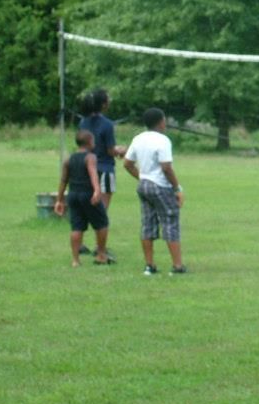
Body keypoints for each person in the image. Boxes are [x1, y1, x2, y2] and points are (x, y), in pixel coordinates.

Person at [123, 108, 187, 275]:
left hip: (143, 185)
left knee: (147, 224)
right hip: (160, 185)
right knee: (170, 222)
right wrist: (177, 188)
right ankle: (177, 266)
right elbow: (166, 167)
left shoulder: (138, 138)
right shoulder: (163, 140)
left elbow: (127, 164)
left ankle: (149, 266)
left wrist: (142, 177)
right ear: (161, 122)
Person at [78, 89, 126, 259]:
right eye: (108, 99)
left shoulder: (82, 122)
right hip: (104, 169)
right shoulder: (107, 124)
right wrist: (121, 150)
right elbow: (110, 150)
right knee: (102, 210)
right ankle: (100, 248)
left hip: (85, 168)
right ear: (103, 104)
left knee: (84, 207)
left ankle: (79, 244)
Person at [54, 130, 111, 267]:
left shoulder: (69, 158)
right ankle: (101, 255)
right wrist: (97, 190)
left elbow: (63, 180)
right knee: (102, 223)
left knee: (77, 227)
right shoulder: (90, 157)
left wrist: (59, 200)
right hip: (88, 194)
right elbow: (93, 174)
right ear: (90, 142)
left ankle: (75, 260)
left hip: (73, 195)